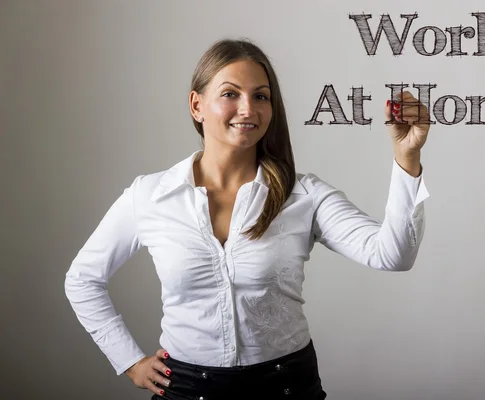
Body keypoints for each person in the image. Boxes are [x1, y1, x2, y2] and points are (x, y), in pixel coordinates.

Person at [64, 38, 431, 400]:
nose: (248, 109)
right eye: (230, 94)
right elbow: (82, 279)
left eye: (260, 96)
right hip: (187, 390)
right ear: (197, 105)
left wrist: (407, 156)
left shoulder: (304, 195)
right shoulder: (150, 195)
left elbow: (392, 255)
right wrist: (129, 361)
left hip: (286, 387)